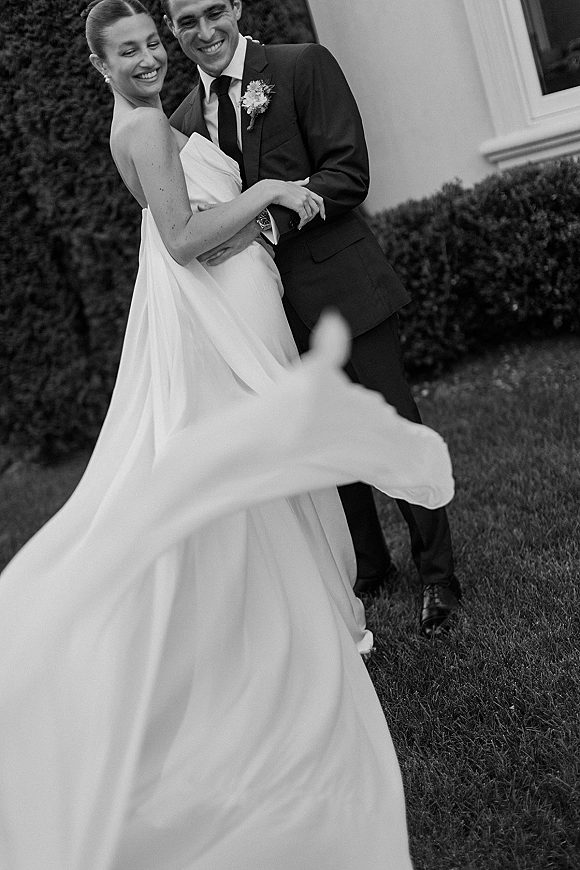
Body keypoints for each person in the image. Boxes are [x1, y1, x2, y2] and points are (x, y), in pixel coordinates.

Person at [0, 2, 454, 867]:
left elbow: (324, 174)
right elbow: (182, 240)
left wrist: (268, 207)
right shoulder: (145, 127)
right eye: (127, 49)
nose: (147, 57)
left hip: (263, 292)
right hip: (229, 302)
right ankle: (305, 613)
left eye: (148, 43)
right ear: (100, 64)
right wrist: (263, 193)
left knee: (303, 449)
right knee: (281, 465)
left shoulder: (251, 84)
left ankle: (414, 581)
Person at [165, 0, 463, 637]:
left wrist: (268, 224)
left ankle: (438, 573)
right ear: (172, 30)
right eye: (186, 21)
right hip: (265, 309)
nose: (204, 31)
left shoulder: (302, 67)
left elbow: (347, 171)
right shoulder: (183, 121)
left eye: (214, 11)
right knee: (322, 440)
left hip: (342, 282)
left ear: (236, 8)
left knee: (390, 423)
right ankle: (369, 562)